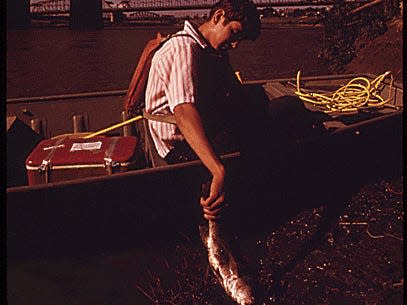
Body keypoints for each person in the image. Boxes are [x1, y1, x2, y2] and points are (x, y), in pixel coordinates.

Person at [144, 0, 261, 221]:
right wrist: (218, 170)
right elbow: (184, 112)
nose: (235, 45)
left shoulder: (208, 50)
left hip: (198, 132)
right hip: (178, 147)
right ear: (218, 17)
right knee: (275, 124)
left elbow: (233, 93)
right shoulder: (183, 48)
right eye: (234, 33)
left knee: (261, 101)